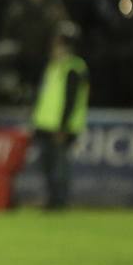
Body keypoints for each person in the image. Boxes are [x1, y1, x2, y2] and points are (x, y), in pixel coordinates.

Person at [30, 27, 88, 210]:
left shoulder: (73, 68)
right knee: (47, 165)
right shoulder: (53, 66)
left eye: (58, 45)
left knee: (59, 166)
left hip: (61, 127)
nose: (54, 49)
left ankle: (60, 201)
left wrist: (63, 126)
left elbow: (71, 100)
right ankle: (52, 199)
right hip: (45, 125)